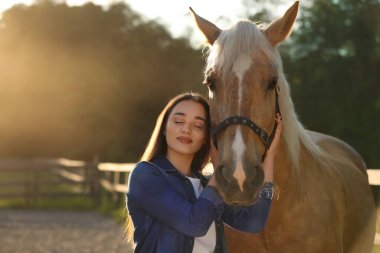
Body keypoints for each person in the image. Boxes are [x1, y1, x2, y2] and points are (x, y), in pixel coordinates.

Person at [126, 92, 282, 253]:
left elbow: (254, 222)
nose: (186, 129)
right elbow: (194, 224)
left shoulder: (207, 186)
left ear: (205, 138)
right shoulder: (145, 175)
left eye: (198, 126)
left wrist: (269, 156)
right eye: (179, 121)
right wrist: (221, 169)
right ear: (164, 128)